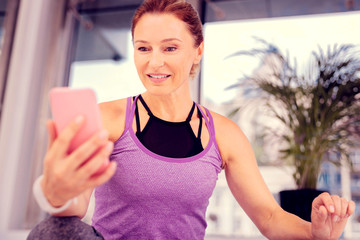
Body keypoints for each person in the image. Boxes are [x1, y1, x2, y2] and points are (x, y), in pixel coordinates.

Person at [28, 0, 355, 239]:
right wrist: (55, 192)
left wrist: (317, 233)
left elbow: (269, 217)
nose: (154, 63)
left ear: (197, 50)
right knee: (52, 230)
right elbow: (73, 208)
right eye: (143, 49)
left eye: (170, 48)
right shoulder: (107, 118)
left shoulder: (225, 135)